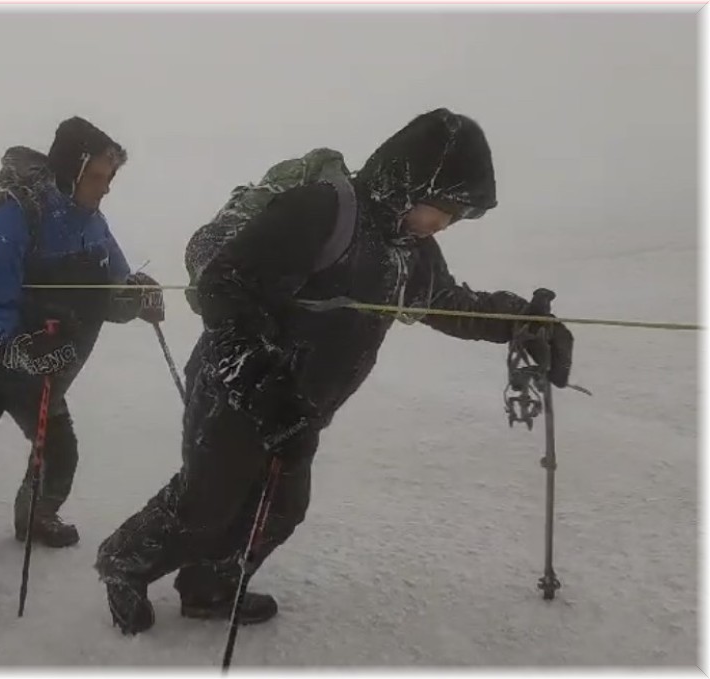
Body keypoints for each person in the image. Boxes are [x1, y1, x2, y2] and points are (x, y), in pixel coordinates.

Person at [94, 108, 576, 635]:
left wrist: (518, 322)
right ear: (409, 181)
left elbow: (443, 302)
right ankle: (123, 564)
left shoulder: (410, 251)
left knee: (279, 508)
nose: (447, 222)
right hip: (237, 387)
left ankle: (209, 585)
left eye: (458, 214)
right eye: (444, 207)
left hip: (302, 407)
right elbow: (222, 287)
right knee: (205, 503)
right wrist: (263, 386)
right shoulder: (323, 211)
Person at [0, 116, 163, 563]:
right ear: (71, 170)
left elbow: (110, 292)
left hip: (43, 358)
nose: (105, 187)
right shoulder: (14, 214)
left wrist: (137, 298)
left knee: (59, 449)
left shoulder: (93, 223)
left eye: (110, 178)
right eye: (96, 176)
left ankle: (36, 514)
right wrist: (17, 347)